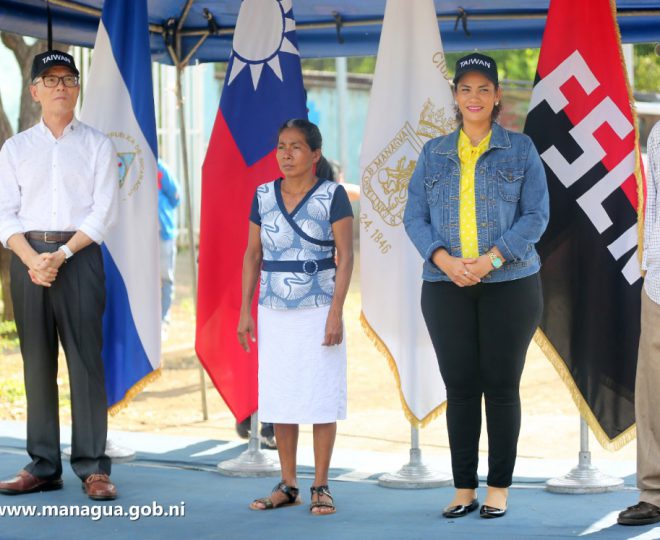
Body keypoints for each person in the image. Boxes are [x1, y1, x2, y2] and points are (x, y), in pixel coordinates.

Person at [403, 53, 549, 519]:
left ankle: (498, 488)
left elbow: (536, 216)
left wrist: (491, 260)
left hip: (511, 284)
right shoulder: (434, 153)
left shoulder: (521, 149)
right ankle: (463, 488)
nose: (474, 97)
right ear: (455, 96)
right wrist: (444, 260)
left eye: (484, 89)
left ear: (497, 96)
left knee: (502, 386)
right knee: (461, 388)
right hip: (445, 285)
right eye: (465, 89)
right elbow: (414, 217)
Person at [0, 50, 119, 500]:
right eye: (50, 80)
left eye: (68, 79)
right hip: (28, 258)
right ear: (34, 91)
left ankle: (93, 467)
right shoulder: (15, 149)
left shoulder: (98, 145)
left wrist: (63, 253)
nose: (61, 87)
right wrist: (33, 259)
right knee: (36, 363)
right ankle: (43, 466)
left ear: (77, 88)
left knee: (85, 363)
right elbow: (4, 212)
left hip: (80, 257)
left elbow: (103, 211)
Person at [237, 118, 353, 515]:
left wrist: (336, 313)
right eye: (281, 146)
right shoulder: (262, 195)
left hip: (319, 307)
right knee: (280, 395)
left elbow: (346, 257)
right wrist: (245, 309)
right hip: (273, 310)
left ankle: (321, 484)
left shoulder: (333, 195)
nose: (286, 154)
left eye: (296, 147)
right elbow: (253, 254)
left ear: (315, 154)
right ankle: (288, 484)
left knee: (321, 394)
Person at [618, 121, 660, 526]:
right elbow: (654, 206)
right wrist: (649, 265)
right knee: (652, 392)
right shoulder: (659, 134)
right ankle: (654, 493)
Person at [157, 159, 180, 339]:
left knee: (165, 277)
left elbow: (175, 197)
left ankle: (163, 320)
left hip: (163, 232)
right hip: (141, 235)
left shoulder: (160, 168)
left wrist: (161, 213)